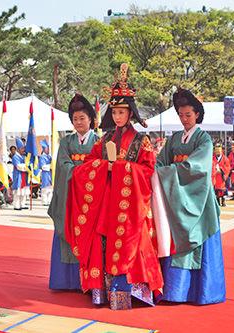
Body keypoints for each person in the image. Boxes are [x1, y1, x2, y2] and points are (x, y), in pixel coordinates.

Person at [65, 65, 163, 310]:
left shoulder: (143, 141)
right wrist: (102, 168)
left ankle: (134, 292)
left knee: (135, 242)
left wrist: (119, 169)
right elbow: (86, 167)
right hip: (105, 202)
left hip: (130, 206)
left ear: (130, 113)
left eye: (122, 112)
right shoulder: (104, 140)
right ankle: (103, 293)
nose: (118, 117)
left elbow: (148, 171)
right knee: (102, 243)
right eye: (115, 112)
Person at [154, 88, 225, 305]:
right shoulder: (174, 138)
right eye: (181, 115)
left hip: (199, 199)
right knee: (174, 240)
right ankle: (174, 291)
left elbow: (197, 168)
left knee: (197, 240)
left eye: (188, 115)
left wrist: (168, 172)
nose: (184, 119)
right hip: (176, 198)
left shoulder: (204, 139)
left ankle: (198, 292)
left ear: (197, 115)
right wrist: (159, 171)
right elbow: (160, 163)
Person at [47, 93, 98, 291]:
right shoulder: (66, 142)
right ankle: (65, 281)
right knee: (67, 230)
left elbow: (100, 167)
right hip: (70, 195)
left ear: (91, 120)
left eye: (82, 118)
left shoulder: (99, 142)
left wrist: (84, 172)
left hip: (90, 196)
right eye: (75, 119)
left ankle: (89, 280)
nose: (78, 122)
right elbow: (63, 165)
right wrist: (81, 171)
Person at [12, 138, 29, 210]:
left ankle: (22, 203)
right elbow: (19, 166)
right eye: (22, 148)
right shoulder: (15, 157)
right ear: (18, 149)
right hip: (18, 175)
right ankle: (16, 205)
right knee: (17, 191)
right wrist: (27, 167)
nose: (23, 150)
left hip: (24, 176)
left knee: (24, 190)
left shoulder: (24, 156)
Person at [39, 140, 53, 206]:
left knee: (50, 188)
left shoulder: (49, 157)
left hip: (50, 173)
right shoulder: (42, 157)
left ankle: (49, 200)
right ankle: (44, 201)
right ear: (44, 149)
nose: (49, 150)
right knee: (45, 188)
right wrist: (51, 165)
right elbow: (43, 166)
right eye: (47, 148)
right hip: (45, 174)